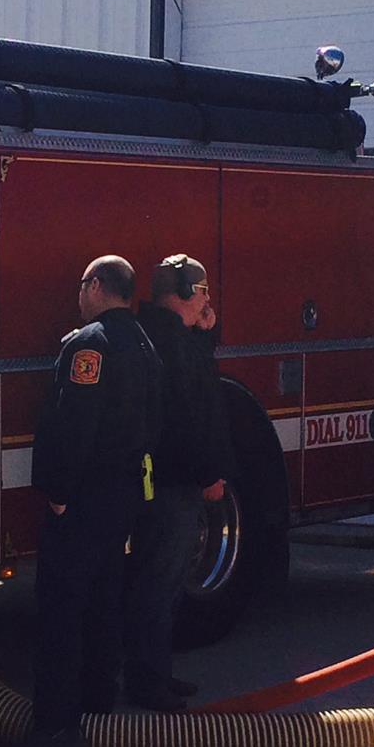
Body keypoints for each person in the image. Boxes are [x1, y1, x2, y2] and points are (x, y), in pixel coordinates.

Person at [15, 254, 162, 747]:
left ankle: (56, 730)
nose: (78, 296)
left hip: (83, 504)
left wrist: (57, 490)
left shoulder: (88, 346)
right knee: (104, 605)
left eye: (82, 286)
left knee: (62, 613)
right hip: (123, 500)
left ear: (98, 286)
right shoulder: (144, 343)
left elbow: (75, 426)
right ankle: (99, 708)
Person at [125, 254, 233, 712]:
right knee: (159, 584)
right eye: (203, 290)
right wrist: (208, 475)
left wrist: (205, 333)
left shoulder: (166, 336)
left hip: (161, 481)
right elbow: (192, 416)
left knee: (162, 585)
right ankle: (148, 685)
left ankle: (156, 674)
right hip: (173, 486)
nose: (208, 298)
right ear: (185, 293)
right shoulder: (170, 343)